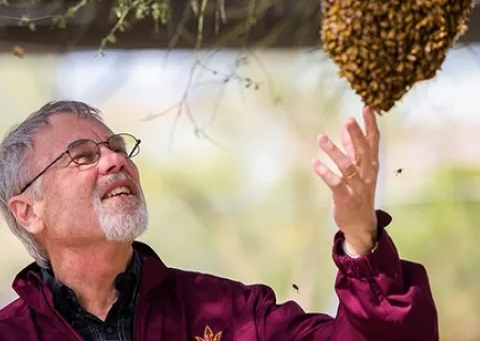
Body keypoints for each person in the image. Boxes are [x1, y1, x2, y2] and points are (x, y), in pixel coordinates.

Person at [0, 100, 438, 341]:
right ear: (28, 211)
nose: (115, 159)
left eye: (116, 146)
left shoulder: (235, 315)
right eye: (82, 156)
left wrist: (362, 240)